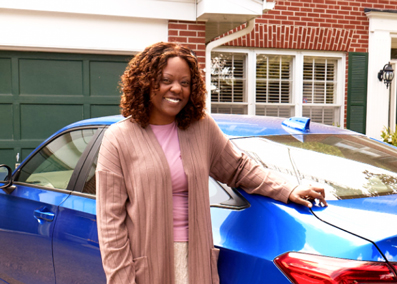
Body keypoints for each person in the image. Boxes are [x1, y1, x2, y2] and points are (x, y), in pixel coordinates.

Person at [96, 42, 327, 284]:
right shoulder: (119, 138)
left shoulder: (201, 127)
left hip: (196, 261)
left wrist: (288, 188)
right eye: (166, 80)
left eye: (185, 83)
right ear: (145, 82)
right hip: (148, 265)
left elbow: (239, 168)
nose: (176, 89)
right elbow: (111, 222)